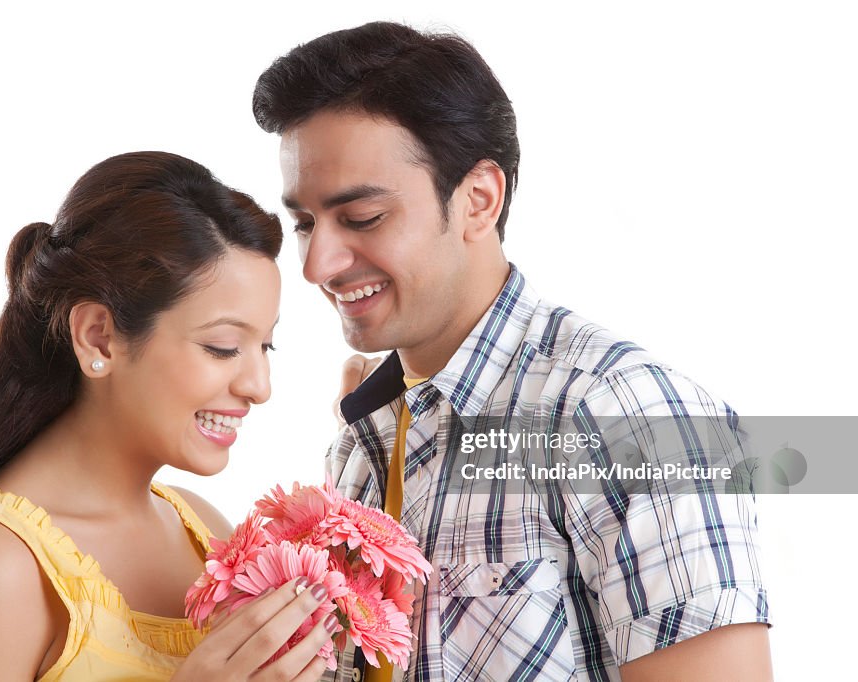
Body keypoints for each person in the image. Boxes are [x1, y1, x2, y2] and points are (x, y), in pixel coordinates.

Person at [253, 21, 773, 682]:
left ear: (479, 199)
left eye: (362, 219)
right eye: (304, 223)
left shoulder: (628, 415)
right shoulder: (360, 447)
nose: (316, 264)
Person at [0, 152, 337, 681]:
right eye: (223, 347)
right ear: (99, 336)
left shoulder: (205, 533)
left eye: (267, 346)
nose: (259, 387)